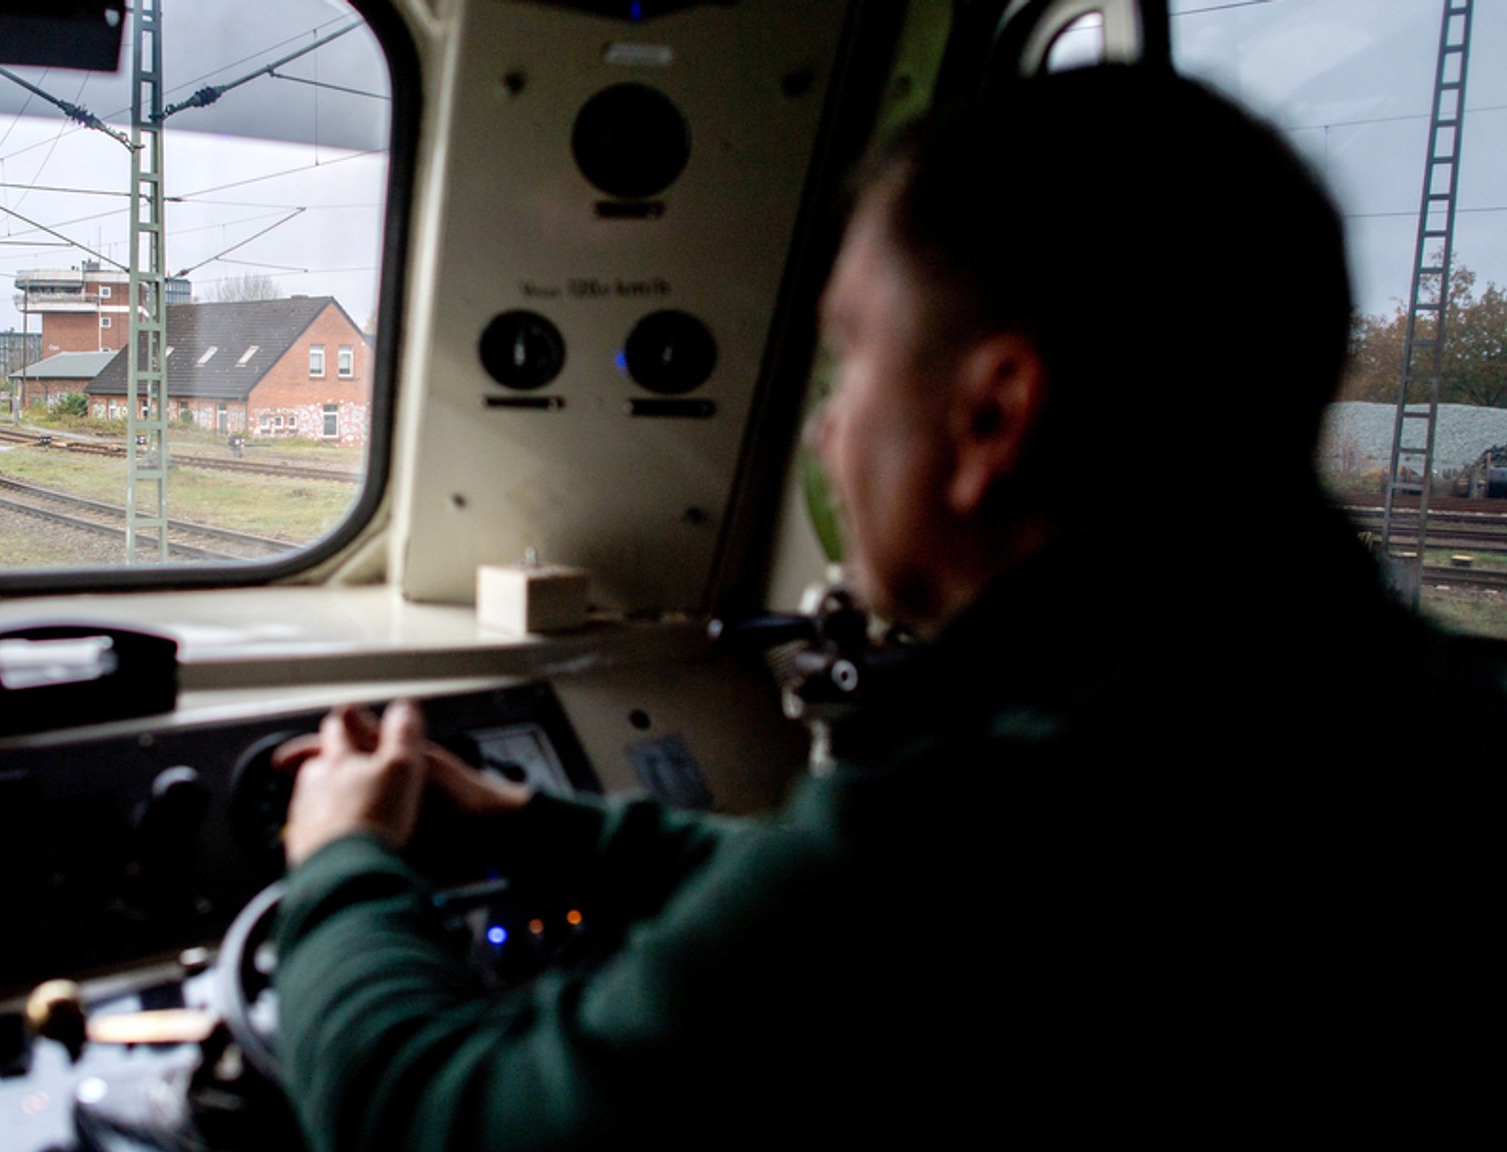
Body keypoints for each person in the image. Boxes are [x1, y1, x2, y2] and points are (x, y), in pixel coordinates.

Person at [271, 67, 1505, 1149]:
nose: (826, 424)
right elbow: (830, 899)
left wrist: (340, 868)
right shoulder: (1402, 714)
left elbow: (445, 1117)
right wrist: (543, 830)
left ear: (988, 417)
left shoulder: (987, 826)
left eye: (851, 356)